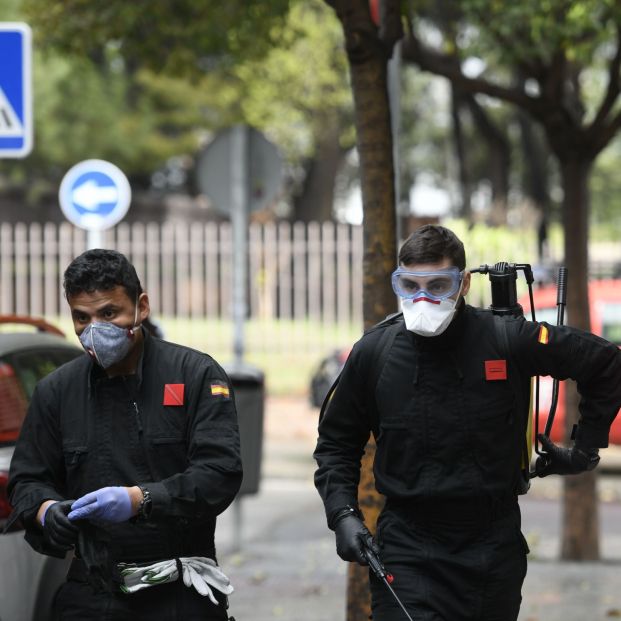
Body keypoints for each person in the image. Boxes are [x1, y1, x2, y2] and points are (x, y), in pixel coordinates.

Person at [314, 224, 621, 621]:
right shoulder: (376, 352)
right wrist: (342, 514)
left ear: (464, 284)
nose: (422, 298)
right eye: (409, 285)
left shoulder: (506, 339)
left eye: (438, 285)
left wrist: (583, 450)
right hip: (408, 549)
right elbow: (337, 442)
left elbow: (606, 363)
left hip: (491, 550)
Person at [7, 249, 242, 621]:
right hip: (91, 591)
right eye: (81, 318)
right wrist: (46, 509)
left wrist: (140, 499)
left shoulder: (195, 374)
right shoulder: (57, 390)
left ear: (141, 307)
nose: (94, 329)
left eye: (109, 313)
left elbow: (219, 474)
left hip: (177, 592)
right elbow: (27, 479)